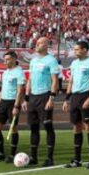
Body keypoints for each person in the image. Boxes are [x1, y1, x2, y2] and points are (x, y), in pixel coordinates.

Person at [23, 37, 61, 167]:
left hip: (45, 96)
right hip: (33, 97)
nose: (36, 45)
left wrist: (52, 97)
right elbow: (30, 79)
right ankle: (33, 157)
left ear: (46, 45)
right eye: (36, 43)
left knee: (47, 126)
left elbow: (55, 80)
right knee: (33, 127)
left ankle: (50, 158)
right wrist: (26, 98)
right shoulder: (33, 61)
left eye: (40, 43)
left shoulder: (51, 60)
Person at [64, 41, 89, 169]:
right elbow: (71, 81)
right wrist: (66, 98)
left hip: (86, 95)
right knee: (76, 127)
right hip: (75, 96)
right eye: (74, 50)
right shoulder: (74, 63)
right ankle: (77, 159)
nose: (75, 52)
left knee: (88, 126)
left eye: (77, 49)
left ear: (85, 50)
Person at [0, 50, 25, 162]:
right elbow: (2, 91)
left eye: (8, 59)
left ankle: (12, 155)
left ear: (15, 59)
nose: (5, 61)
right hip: (3, 103)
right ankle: (1, 153)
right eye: (4, 59)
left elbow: (20, 91)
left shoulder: (19, 72)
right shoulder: (5, 72)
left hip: (12, 103)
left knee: (13, 128)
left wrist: (16, 106)